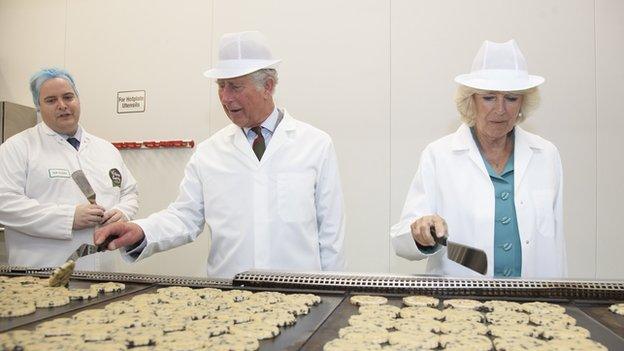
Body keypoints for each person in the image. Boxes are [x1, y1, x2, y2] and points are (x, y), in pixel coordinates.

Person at [94, 31, 346, 278]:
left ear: (268, 86)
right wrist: (140, 230)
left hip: (300, 294)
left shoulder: (315, 144)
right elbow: (185, 216)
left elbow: (331, 232)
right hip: (230, 294)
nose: (225, 98)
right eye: (221, 86)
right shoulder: (209, 153)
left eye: (235, 87)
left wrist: (332, 294)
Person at [390, 40, 566, 278]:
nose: (501, 110)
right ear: (471, 100)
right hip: (459, 300)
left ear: (523, 102)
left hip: (533, 301)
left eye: (512, 98)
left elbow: (556, 246)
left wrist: (562, 299)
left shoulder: (546, 155)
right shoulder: (439, 155)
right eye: (489, 98)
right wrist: (422, 231)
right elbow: (403, 240)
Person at [0, 68, 138, 270]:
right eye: (51, 100)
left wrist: (122, 212)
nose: (62, 105)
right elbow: (5, 204)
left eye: (68, 97)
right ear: (38, 106)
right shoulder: (17, 148)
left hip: (103, 271)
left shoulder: (106, 149)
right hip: (42, 272)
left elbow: (130, 191)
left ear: (78, 99)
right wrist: (67, 218)